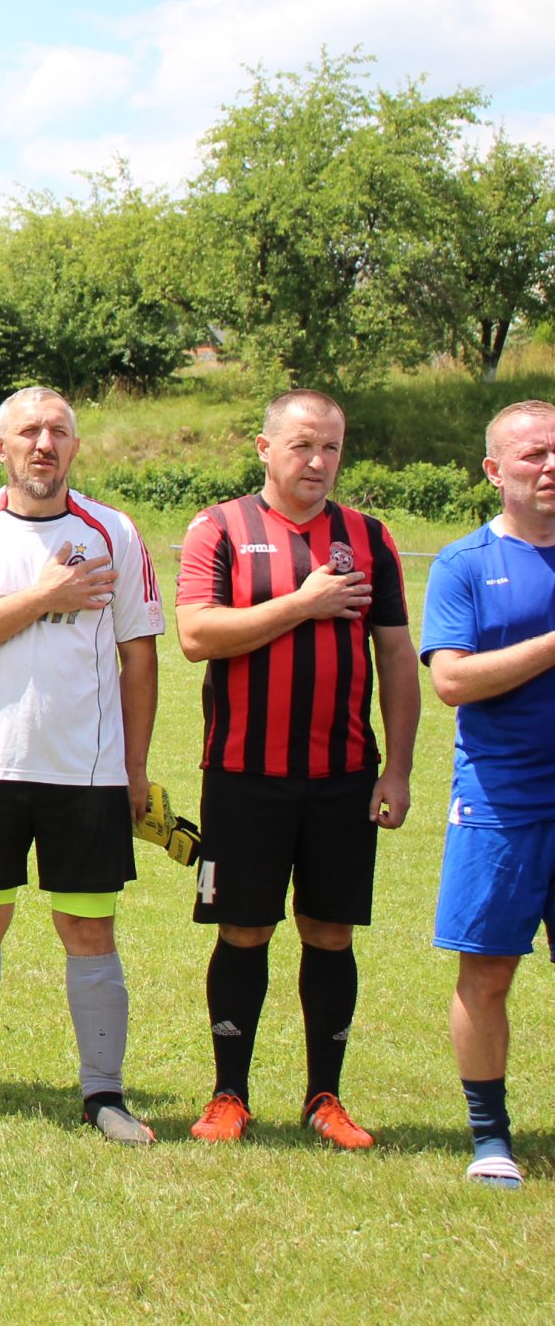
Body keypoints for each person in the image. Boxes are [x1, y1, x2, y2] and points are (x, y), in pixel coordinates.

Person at [0, 386, 163, 1143]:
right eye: (28, 432)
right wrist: (44, 594)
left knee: (89, 927)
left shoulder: (113, 531)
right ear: (0, 447)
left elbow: (139, 657)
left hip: (88, 772)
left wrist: (135, 768)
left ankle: (104, 1093)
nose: (43, 444)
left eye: (58, 432)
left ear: (74, 447)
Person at [176, 389, 415, 1151]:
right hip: (243, 772)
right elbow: (197, 634)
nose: (318, 460)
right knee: (243, 928)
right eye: (302, 445)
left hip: (343, 775)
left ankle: (325, 1097)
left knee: (330, 931)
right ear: (265, 447)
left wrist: (399, 769)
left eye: (331, 446)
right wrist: (302, 603)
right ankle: (229, 1094)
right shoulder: (219, 527)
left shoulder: (368, 537)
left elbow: (397, 656)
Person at [420, 398, 555, 1189]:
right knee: (488, 973)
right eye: (534, 453)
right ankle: (489, 1135)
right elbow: (453, 679)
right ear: (494, 470)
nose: (550, 465)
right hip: (502, 800)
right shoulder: (464, 563)